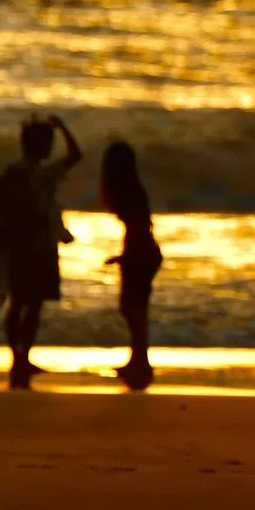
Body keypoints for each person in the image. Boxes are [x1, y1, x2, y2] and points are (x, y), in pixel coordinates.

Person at [0, 114, 81, 389]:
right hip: (39, 248)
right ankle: (23, 357)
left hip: (16, 246)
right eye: (48, 142)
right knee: (34, 306)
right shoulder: (42, 174)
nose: (51, 148)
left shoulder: (11, 172)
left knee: (18, 304)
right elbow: (75, 156)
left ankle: (17, 357)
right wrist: (63, 127)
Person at [100, 140, 162, 390]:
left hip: (142, 252)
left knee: (134, 308)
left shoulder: (129, 191)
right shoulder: (132, 188)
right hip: (143, 251)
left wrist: (128, 256)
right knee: (132, 308)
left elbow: (139, 227)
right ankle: (138, 360)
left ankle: (141, 362)